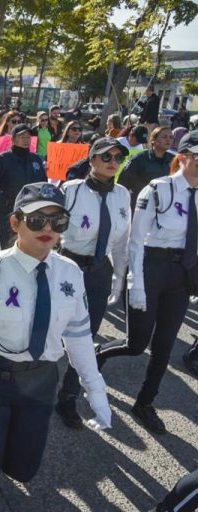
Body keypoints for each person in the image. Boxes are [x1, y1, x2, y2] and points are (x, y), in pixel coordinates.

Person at [0, 182, 111, 512]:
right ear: (15, 222)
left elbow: (78, 336)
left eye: (58, 221)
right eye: (37, 220)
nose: (48, 229)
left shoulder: (70, 273)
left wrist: (95, 389)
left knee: (23, 469)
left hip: (40, 382)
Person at [96, 130, 198, 435]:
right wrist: (136, 284)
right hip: (150, 268)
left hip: (180, 274)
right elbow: (136, 241)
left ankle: (144, 403)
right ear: (183, 157)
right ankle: (97, 354)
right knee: (136, 344)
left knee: (164, 346)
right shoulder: (158, 189)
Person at [53, 138, 132, 428]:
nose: (113, 162)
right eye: (106, 156)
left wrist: (120, 277)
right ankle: (33, 389)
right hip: (67, 267)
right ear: (92, 159)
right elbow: (50, 230)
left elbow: (122, 242)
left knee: (85, 338)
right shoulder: (71, 191)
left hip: (99, 271)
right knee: (50, 330)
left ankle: (68, 397)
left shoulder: (122, 195)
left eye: (118, 158)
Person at [0, 123, 48, 247]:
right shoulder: (2, 159)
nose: (26, 140)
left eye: (28, 137)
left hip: (30, 210)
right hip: (6, 211)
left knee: (28, 244)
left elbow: (43, 184)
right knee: (5, 244)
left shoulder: (35, 160)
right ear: (13, 139)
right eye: (22, 137)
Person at [118, 126, 175, 211]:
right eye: (164, 137)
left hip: (165, 207)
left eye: (171, 137)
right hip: (139, 206)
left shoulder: (174, 160)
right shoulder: (138, 159)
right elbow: (122, 184)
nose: (168, 140)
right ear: (153, 140)